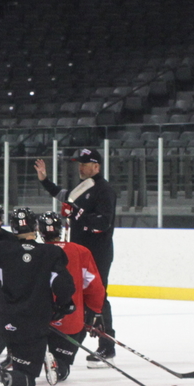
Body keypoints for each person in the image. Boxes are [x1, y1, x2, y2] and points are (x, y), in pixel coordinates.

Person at [0, 208, 75, 386]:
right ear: (36, 227)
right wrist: (63, 306)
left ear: (13, 228)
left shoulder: (2, 250)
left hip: (3, 318)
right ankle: (7, 377)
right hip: (33, 323)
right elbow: (64, 286)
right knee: (27, 379)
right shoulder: (51, 253)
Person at [34, 147, 117, 361]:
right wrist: (45, 180)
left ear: (96, 166)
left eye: (84, 163)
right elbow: (66, 198)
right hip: (78, 250)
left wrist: (76, 213)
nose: (80, 167)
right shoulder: (84, 186)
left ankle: (107, 344)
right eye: (79, 163)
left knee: (98, 295)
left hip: (97, 252)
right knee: (73, 293)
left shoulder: (104, 190)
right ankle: (72, 337)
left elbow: (103, 223)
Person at [37, 212, 106, 382]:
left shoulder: (35, 252)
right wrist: (96, 311)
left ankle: (22, 361)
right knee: (62, 365)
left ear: (39, 230)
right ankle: (59, 366)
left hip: (38, 318)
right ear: (60, 229)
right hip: (70, 319)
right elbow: (94, 285)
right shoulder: (80, 251)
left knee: (27, 356)